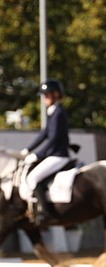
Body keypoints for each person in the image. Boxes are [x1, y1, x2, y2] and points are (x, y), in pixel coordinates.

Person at [19, 80, 72, 225]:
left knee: (32, 178)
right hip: (54, 154)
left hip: (59, 155)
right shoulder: (53, 112)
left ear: (55, 95)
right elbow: (43, 134)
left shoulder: (59, 112)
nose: (44, 98)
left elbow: (53, 138)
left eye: (46, 95)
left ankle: (44, 213)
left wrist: (38, 154)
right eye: (43, 95)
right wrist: (28, 150)